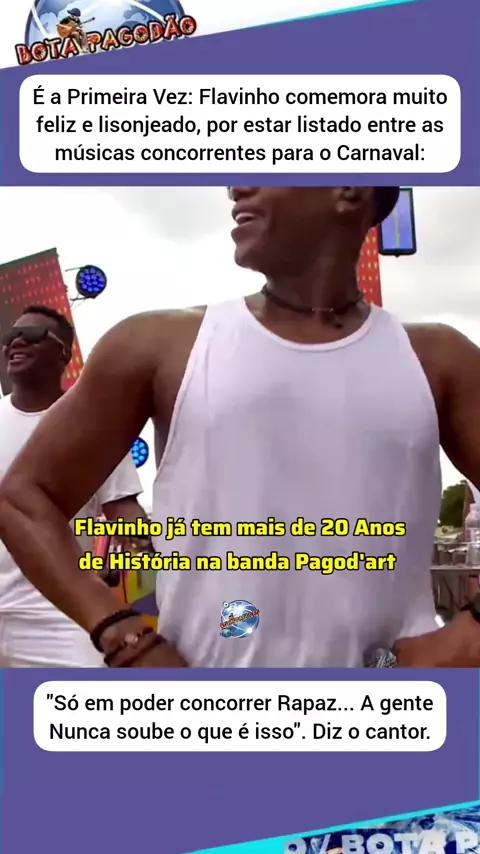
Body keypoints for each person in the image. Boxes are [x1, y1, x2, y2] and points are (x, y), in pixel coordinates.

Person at [2, 188, 480, 668]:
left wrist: (469, 634)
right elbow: (24, 497)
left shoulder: (439, 360)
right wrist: (124, 637)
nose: (236, 186)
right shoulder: (156, 345)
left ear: (349, 191)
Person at [0, 305, 147, 667]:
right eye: (11, 336)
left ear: (63, 353)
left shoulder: (94, 428)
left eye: (31, 335)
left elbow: (123, 511)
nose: (16, 342)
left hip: (55, 607)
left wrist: (153, 551)